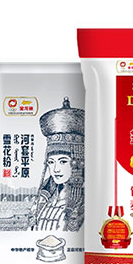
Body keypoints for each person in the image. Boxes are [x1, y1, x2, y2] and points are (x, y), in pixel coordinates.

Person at [30, 97, 84, 232]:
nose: (55, 169)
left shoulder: (86, 200)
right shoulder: (45, 197)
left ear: (78, 161)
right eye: (51, 162)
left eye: (63, 161)